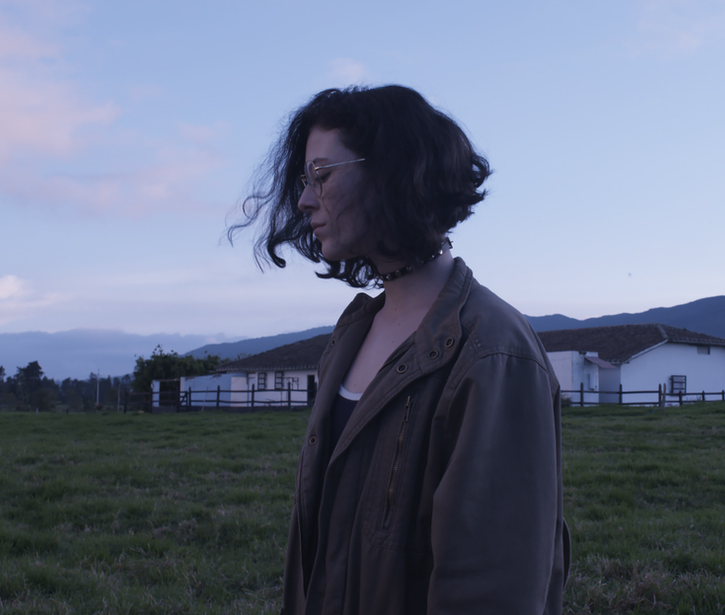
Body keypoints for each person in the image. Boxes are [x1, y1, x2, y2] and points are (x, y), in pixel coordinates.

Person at [232, 85, 569, 615]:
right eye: (303, 180)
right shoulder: (351, 335)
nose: (303, 200)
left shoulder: (494, 353)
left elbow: (492, 590)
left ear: (392, 171)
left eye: (322, 174)